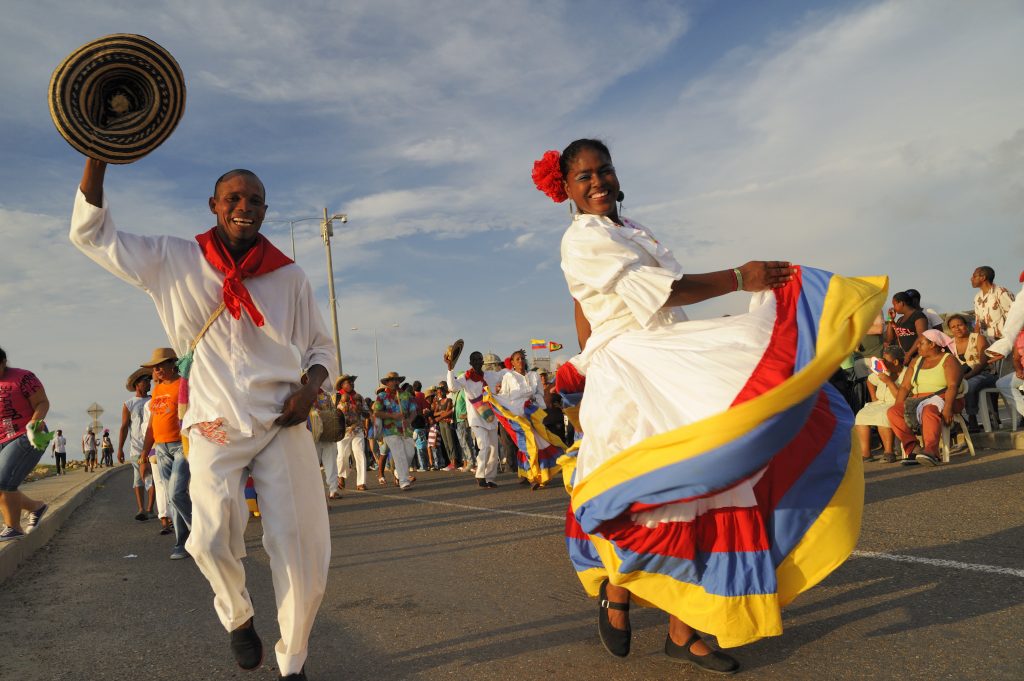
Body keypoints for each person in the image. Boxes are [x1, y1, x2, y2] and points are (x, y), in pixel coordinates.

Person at [534, 139, 884, 673]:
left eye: (603, 170)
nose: (598, 181)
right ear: (568, 189)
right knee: (647, 492)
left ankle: (684, 630)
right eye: (584, 176)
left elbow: (590, 301)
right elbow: (660, 292)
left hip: (666, 355)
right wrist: (740, 279)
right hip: (631, 370)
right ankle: (616, 590)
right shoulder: (582, 239)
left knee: (709, 483)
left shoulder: (628, 230)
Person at [71, 158, 334, 681]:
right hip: (214, 421)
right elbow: (93, 234)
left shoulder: (291, 275)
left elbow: (320, 346)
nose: (244, 207)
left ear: (266, 211)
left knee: (303, 545)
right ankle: (238, 614)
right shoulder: (173, 258)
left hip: (283, 418)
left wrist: (310, 389)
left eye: (255, 200)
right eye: (233, 199)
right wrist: (97, 154)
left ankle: (294, 659)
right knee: (209, 537)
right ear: (213, 206)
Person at [139, 348, 190, 559]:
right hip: (161, 448)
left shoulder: (184, 385)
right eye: (154, 367)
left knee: (177, 492)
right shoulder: (158, 390)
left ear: (173, 364)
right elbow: (152, 424)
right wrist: (144, 451)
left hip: (181, 445)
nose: (157, 369)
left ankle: (200, 534)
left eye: (161, 365)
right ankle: (181, 542)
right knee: (171, 496)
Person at [886, 330, 965, 467]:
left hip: (944, 398)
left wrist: (947, 408)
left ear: (932, 344)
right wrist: (900, 408)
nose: (917, 347)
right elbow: (905, 387)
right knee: (893, 412)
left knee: (929, 410)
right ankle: (914, 449)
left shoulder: (948, 359)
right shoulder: (916, 361)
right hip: (918, 401)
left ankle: (931, 451)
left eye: (921, 344)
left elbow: (953, 386)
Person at [0, 347, 51, 541]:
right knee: (2, 483)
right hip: (1, 438)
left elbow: (43, 402)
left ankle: (13, 527)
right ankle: (36, 507)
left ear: (3, 362)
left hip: (27, 435)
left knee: (4, 481)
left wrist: (34, 423)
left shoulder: (23, 377)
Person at [493, 349, 561, 489]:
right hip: (517, 414)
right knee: (526, 442)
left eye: (522, 358)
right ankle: (533, 476)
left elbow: (539, 394)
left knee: (538, 441)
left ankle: (525, 473)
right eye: (517, 359)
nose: (521, 361)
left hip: (532, 411)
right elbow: (505, 396)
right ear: (512, 363)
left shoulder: (534, 375)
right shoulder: (509, 376)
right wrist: (494, 396)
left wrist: (535, 402)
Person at [445, 352, 506, 489]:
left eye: (480, 359)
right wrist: (450, 368)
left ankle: (489, 477)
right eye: (475, 359)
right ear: (470, 362)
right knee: (483, 445)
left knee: (493, 449)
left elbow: (503, 375)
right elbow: (452, 387)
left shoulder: (489, 375)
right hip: (476, 418)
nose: (478, 362)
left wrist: (511, 363)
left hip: (490, 417)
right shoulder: (465, 378)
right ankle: (480, 475)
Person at [852, 346, 907, 463]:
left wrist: (889, 382)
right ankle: (866, 453)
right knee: (861, 415)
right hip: (881, 402)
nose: (882, 362)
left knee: (883, 415)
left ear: (896, 362)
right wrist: (873, 397)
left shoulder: (906, 373)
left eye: (886, 360)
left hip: (897, 403)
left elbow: (900, 398)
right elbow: (870, 380)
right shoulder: (883, 371)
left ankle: (889, 452)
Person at [946, 313, 997, 431]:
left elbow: (983, 362)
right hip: (963, 377)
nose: (957, 328)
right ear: (950, 330)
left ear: (966, 325)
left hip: (985, 374)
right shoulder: (950, 344)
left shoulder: (978, 338)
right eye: (953, 327)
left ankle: (972, 417)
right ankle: (957, 422)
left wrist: (967, 376)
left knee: (970, 384)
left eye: (960, 325)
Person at [119, 367, 154, 521]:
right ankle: (141, 508)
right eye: (145, 382)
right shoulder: (129, 404)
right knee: (138, 479)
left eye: (149, 381)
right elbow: (124, 427)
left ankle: (149, 508)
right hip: (135, 448)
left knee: (149, 477)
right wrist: (119, 449)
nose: (148, 384)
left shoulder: (153, 400)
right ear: (137, 385)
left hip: (152, 446)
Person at [372, 372, 416, 490]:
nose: (395, 382)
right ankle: (404, 481)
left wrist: (409, 420)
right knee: (399, 454)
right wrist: (392, 416)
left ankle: (398, 471)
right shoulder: (381, 396)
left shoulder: (406, 395)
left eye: (397, 380)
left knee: (410, 453)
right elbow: (376, 412)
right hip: (390, 430)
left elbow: (414, 411)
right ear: (387, 383)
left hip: (406, 429)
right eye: (392, 380)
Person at [335, 374, 368, 491]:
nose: (352, 384)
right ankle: (341, 475)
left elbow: (367, 412)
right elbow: (332, 413)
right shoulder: (337, 396)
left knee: (359, 454)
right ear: (342, 385)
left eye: (352, 382)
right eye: (349, 383)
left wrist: (362, 411)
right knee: (342, 456)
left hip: (357, 428)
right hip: (342, 430)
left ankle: (361, 482)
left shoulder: (358, 397)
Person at [971, 266, 1015, 341]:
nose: (971, 279)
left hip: (1003, 340)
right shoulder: (977, 297)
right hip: (986, 341)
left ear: (983, 277)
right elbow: (977, 323)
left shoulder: (1000, 292)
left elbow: (1014, 315)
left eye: (974, 276)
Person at [885, 291, 928, 363]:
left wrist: (909, 354)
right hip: (905, 358)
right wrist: (890, 320)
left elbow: (922, 336)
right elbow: (890, 339)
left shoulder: (918, 315)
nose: (894, 308)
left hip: (917, 357)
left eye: (894, 304)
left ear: (901, 303)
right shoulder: (900, 320)